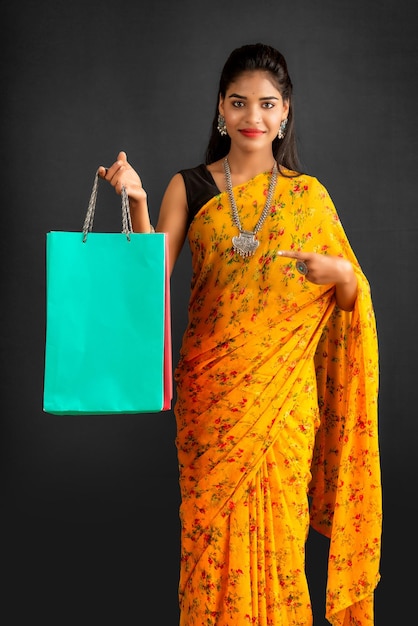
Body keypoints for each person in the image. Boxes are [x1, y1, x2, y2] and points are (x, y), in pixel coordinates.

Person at [99, 43, 381, 626]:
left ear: (285, 116)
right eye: (239, 102)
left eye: (267, 104)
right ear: (220, 111)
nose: (253, 115)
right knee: (206, 548)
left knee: (281, 542)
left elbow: (349, 304)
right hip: (211, 405)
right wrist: (139, 201)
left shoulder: (310, 198)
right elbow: (150, 287)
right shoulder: (189, 187)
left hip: (283, 407)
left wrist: (344, 276)